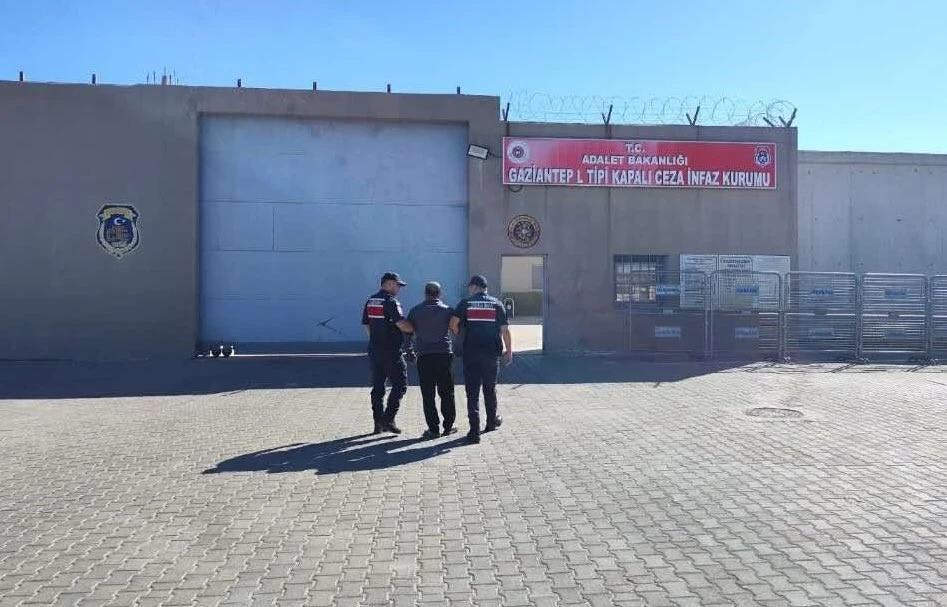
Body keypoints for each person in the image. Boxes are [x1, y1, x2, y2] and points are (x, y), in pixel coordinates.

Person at [450, 275, 513, 444]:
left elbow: (453, 323)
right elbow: (505, 330)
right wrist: (509, 351)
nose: (469, 289)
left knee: (472, 393)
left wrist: (459, 334)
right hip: (491, 355)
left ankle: (474, 432)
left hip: (471, 354)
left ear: (474, 286)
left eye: (470, 287)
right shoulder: (497, 304)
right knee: (490, 390)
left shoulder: (466, 303)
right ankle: (491, 423)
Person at [361, 272, 414, 435]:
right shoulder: (391, 302)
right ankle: (388, 418)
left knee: (378, 387)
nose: (398, 289)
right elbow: (402, 324)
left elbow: (366, 324)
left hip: (375, 350)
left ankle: (378, 423)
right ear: (388, 284)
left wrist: (375, 340)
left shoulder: (371, 300)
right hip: (391, 351)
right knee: (400, 384)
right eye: (397, 285)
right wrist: (413, 328)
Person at [407, 282, 457, 439]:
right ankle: (448, 427)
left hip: (424, 355)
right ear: (440, 294)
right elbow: (455, 329)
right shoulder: (448, 310)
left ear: (425, 293)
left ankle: (434, 429)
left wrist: (409, 352)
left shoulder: (415, 311)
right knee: (447, 392)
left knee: (428, 394)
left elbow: (407, 333)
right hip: (444, 355)